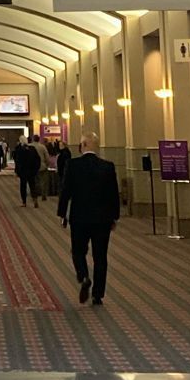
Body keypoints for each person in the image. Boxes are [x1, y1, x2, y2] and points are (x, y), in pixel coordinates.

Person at [57, 131, 122, 307]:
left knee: (78, 251)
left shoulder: (73, 165)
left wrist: (62, 213)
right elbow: (113, 194)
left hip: (79, 218)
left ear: (84, 145)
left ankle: (84, 276)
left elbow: (66, 191)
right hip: (102, 219)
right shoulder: (107, 166)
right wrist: (115, 216)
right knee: (100, 256)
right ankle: (98, 295)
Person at [12, 134, 42, 208]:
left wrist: (17, 171)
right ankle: (35, 200)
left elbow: (17, 161)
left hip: (23, 172)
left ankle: (24, 202)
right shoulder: (32, 149)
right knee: (32, 186)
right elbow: (38, 159)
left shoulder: (19, 150)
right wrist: (36, 169)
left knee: (23, 187)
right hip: (31, 171)